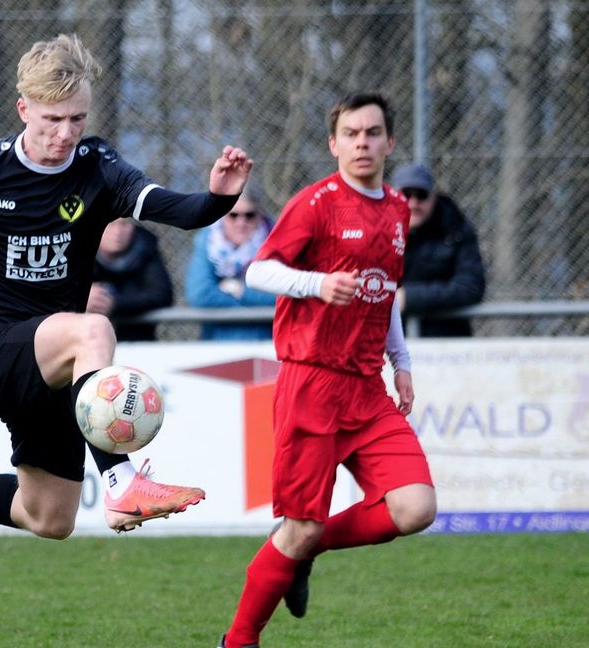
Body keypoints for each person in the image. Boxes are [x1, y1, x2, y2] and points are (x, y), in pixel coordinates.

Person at [0, 34, 252, 540]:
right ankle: (122, 481)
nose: (65, 133)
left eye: (77, 119)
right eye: (52, 119)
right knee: (93, 330)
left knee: (48, 517)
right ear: (24, 109)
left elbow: (181, 210)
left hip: (56, 372)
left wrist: (219, 197)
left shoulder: (99, 169)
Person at [219, 93, 436, 648]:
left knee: (415, 508)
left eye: (373, 132)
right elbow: (259, 272)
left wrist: (401, 362)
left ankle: (301, 547)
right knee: (302, 526)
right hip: (311, 383)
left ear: (389, 142)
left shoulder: (395, 209)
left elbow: (382, 293)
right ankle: (238, 641)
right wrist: (316, 284)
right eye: (352, 133)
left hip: (366, 389)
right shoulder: (316, 203)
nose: (362, 142)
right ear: (334, 143)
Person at [390, 163, 486, 337]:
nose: (413, 203)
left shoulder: (455, 229)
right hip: (387, 344)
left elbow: (470, 287)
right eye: (406, 194)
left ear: (433, 197)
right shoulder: (372, 231)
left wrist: (409, 298)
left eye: (422, 195)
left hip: (445, 344)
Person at [184, 187, 277, 340]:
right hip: (218, 344)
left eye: (249, 215)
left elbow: (283, 298)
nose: (241, 223)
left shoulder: (277, 241)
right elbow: (199, 295)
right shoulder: (208, 242)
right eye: (233, 215)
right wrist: (257, 303)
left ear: (260, 215)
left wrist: (239, 290)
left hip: (267, 343)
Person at [88, 217, 175, 342]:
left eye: (124, 224)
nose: (118, 231)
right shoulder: (75, 250)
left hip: (137, 342)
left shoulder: (145, 247)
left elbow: (161, 294)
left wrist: (114, 303)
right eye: (110, 223)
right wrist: (82, 297)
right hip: (87, 341)